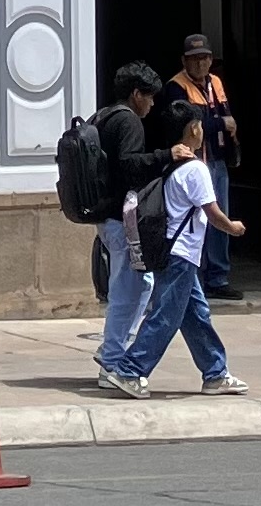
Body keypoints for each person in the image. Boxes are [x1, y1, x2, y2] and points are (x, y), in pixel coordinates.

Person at [105, 109, 248, 399]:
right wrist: (232, 228)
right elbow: (213, 213)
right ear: (194, 129)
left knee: (196, 314)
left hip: (173, 252)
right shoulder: (195, 169)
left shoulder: (172, 165)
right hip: (180, 255)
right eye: (200, 126)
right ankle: (130, 370)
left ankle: (215, 373)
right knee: (166, 316)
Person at [90, 59, 186, 384]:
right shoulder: (128, 121)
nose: (152, 103)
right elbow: (129, 165)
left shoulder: (103, 116)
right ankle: (111, 363)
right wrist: (167, 155)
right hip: (121, 220)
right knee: (127, 292)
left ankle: (114, 348)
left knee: (142, 284)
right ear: (136, 94)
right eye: (149, 96)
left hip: (108, 217)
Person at [165, 36, 243, 300]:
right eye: (195, 59)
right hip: (193, 162)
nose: (201, 63)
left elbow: (225, 116)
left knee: (220, 216)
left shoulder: (216, 82)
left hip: (217, 161)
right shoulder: (176, 87)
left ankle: (218, 278)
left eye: (205, 58)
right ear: (184, 61)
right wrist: (221, 124)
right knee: (197, 219)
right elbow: (186, 126)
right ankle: (195, 277)